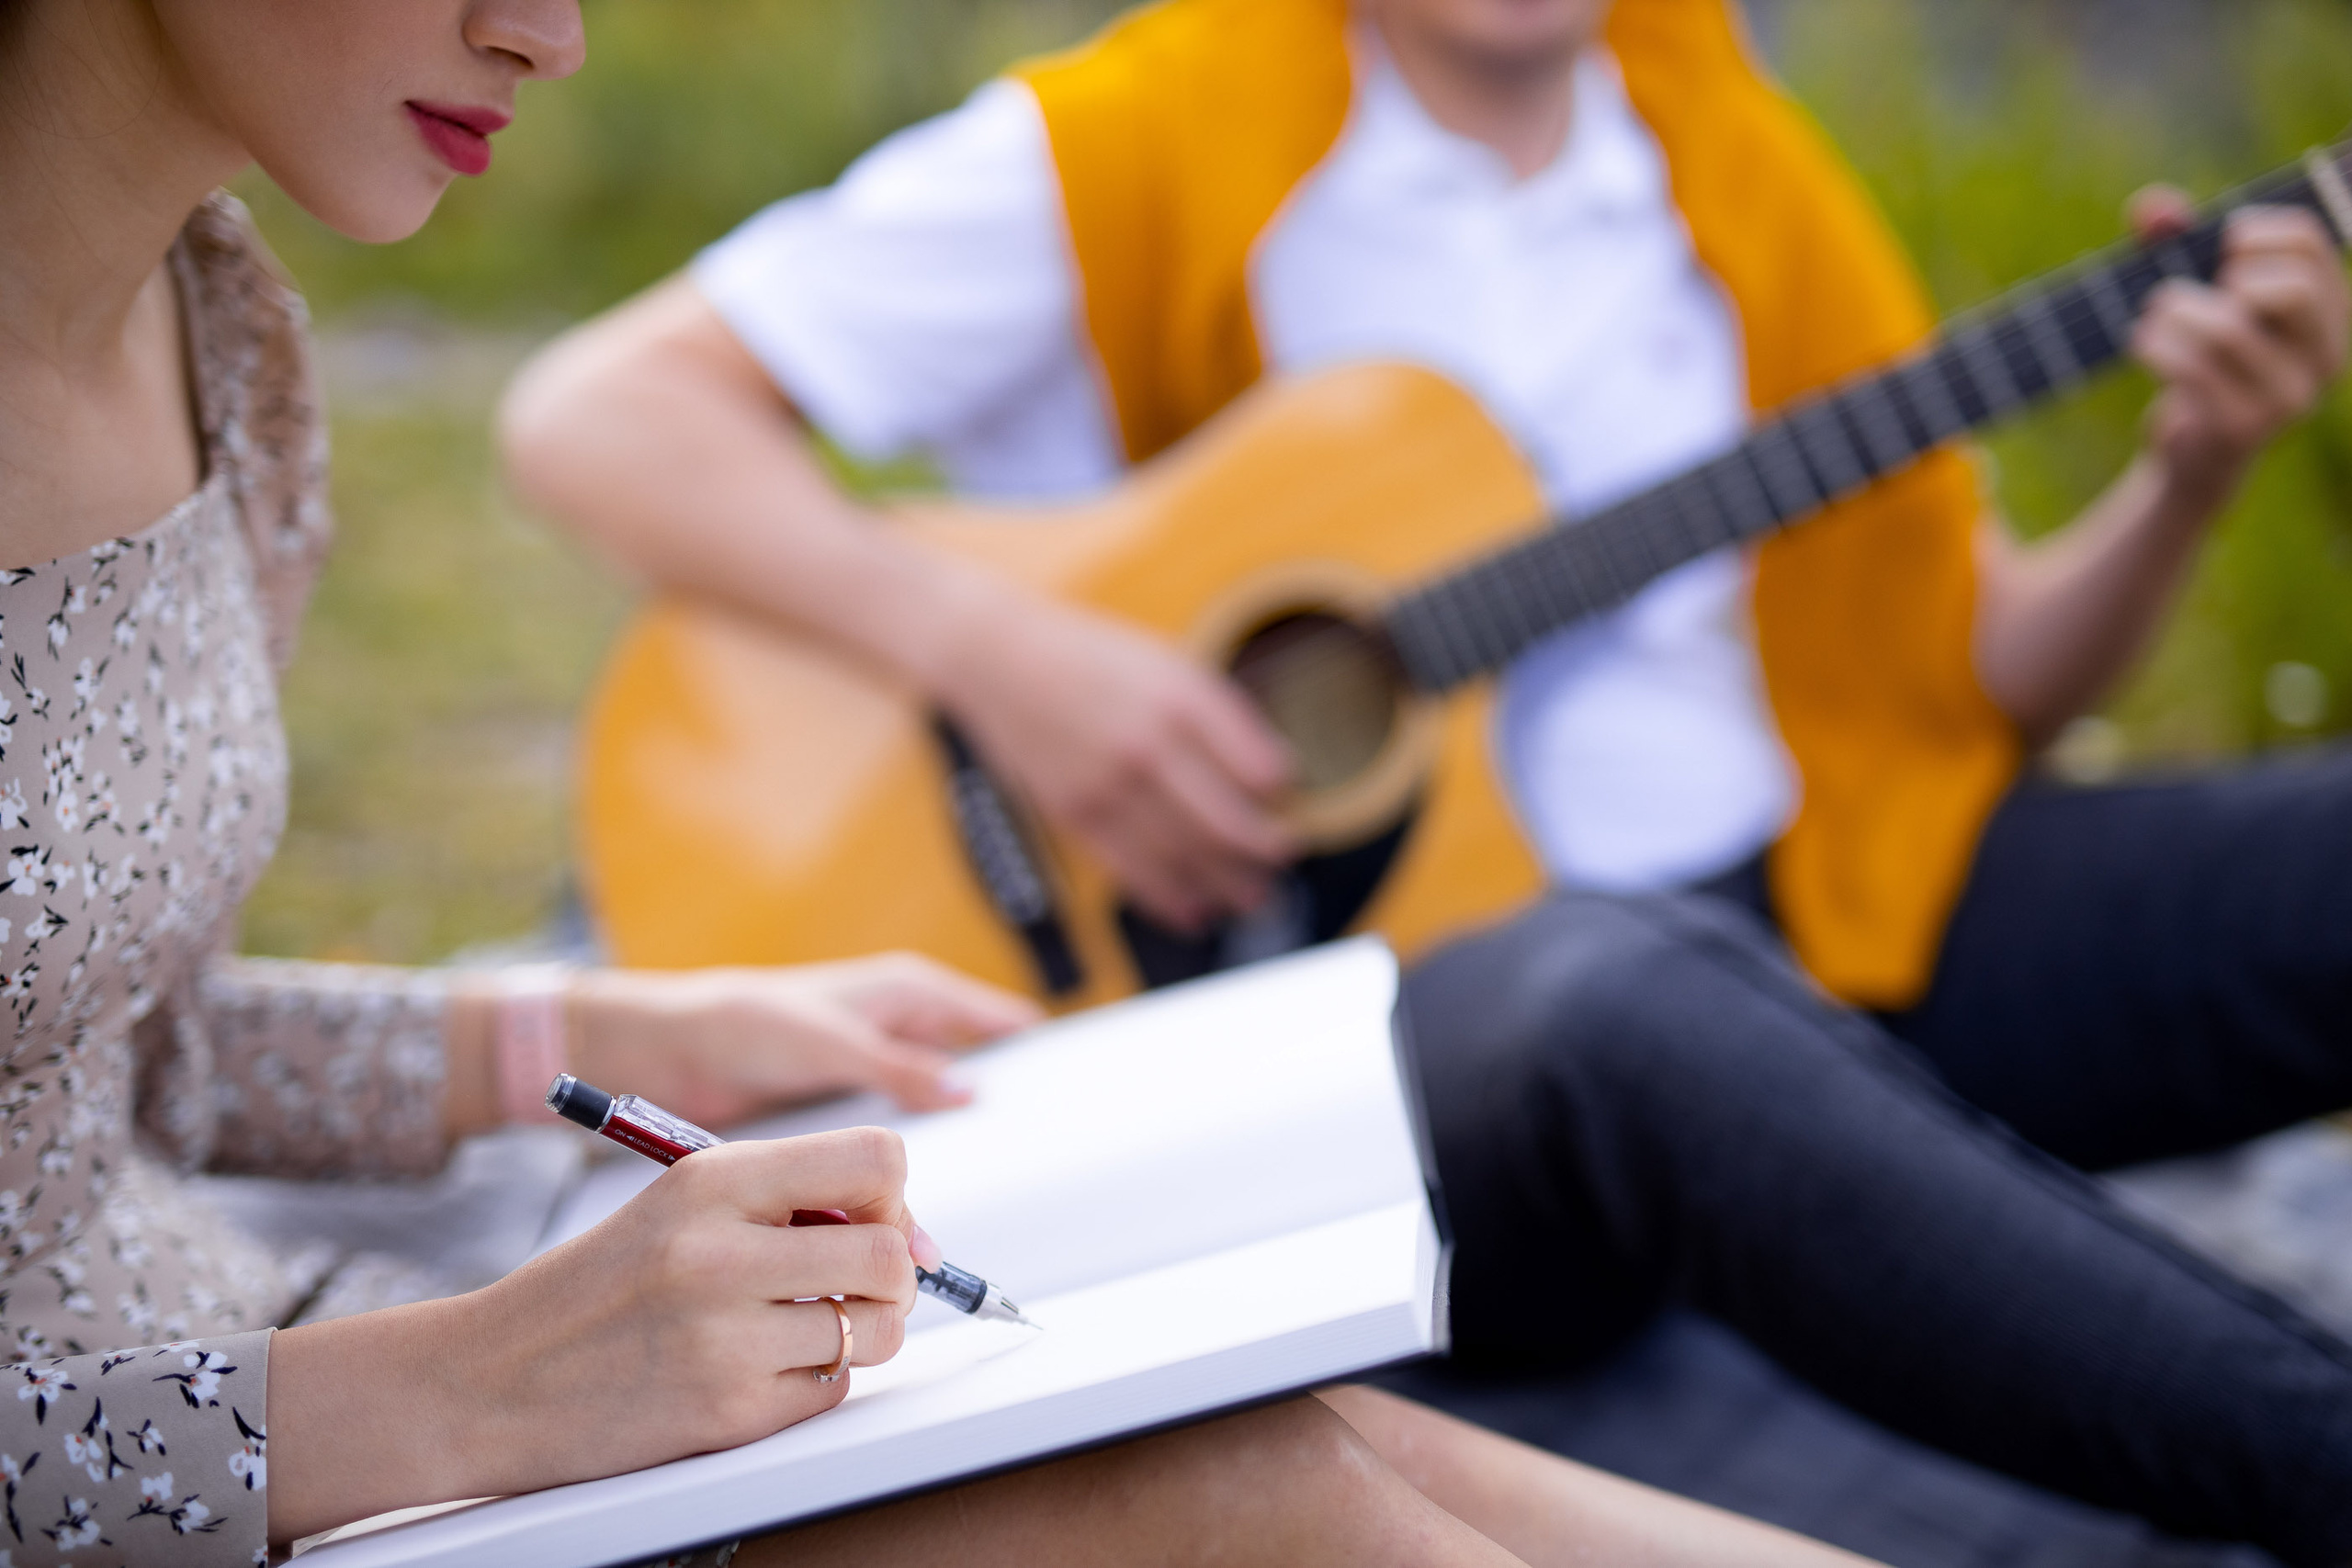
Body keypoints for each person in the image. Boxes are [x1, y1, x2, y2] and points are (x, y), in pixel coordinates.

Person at [0, 0, 1926, 1565]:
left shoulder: (219, 326)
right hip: (236, 1456)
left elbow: (110, 1058)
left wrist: (593, 1032)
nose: (552, 36)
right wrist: (475, 1388)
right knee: (1220, 1497)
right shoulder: (1175, 116)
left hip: (278, 1308)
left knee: (1273, 1425)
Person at [502, 0, 2352, 1559]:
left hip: (1832, 923)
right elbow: (597, 414)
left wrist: (2187, 471)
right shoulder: (1147, 133)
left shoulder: (1727, 162)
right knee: (1613, 988)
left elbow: (1981, 677)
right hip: (1443, 1055)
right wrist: (1017, 663)